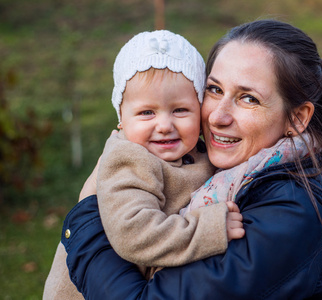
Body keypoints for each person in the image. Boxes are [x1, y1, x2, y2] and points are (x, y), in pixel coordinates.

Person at [60, 19, 322, 299]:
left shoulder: (289, 215)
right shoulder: (234, 178)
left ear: (298, 118)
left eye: (249, 98)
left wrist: (86, 217)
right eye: (215, 89)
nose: (218, 117)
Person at [43, 30, 244, 299]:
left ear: (200, 111)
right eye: (146, 112)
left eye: (180, 110)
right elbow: (135, 234)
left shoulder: (197, 153)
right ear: (121, 120)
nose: (164, 125)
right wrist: (210, 229)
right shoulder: (130, 159)